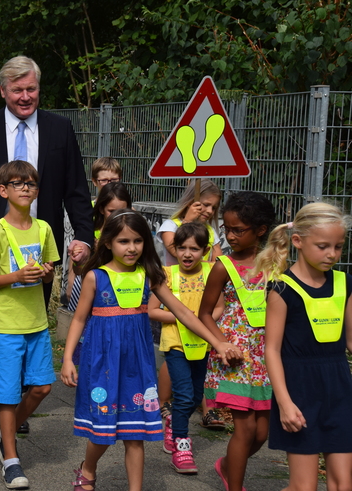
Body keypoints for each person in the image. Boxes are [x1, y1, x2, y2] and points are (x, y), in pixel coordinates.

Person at [0, 55, 93, 433]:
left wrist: (84, 239)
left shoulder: (60, 129)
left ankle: (20, 404)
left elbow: (76, 190)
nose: (25, 97)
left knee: (32, 327)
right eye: (17, 90)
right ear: (3, 91)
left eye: (31, 89)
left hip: (41, 248)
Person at [61, 210, 240, 491]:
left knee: (135, 433)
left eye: (138, 240)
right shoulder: (96, 277)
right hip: (102, 364)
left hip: (137, 366)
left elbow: (183, 312)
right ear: (108, 242)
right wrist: (68, 359)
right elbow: (80, 319)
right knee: (102, 431)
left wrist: (218, 342)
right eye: (123, 241)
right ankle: (88, 468)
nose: (131, 248)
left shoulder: (150, 276)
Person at [257, 203, 352, 491]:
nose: (332, 254)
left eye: (338, 246)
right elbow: (271, 350)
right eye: (323, 246)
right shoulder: (282, 289)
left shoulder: (344, 282)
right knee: (304, 487)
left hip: (339, 390)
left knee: (343, 484)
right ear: (297, 241)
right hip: (299, 391)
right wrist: (285, 404)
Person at [0, 160, 59, 489]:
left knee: (42, 387)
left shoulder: (43, 229)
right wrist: (16, 275)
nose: (25, 188)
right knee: (8, 395)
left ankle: (5, 431)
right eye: (17, 183)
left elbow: (51, 267)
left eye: (30, 184)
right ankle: (11, 461)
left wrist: (46, 272)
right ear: (4, 190)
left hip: (37, 322)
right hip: (5, 326)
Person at [197, 191, 276, 491]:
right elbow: (204, 313)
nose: (230, 235)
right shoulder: (223, 266)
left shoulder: (276, 265)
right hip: (236, 356)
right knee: (244, 429)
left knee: (261, 434)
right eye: (227, 229)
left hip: (265, 356)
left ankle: (226, 466)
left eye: (238, 230)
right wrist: (222, 344)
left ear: (260, 230)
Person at [147, 222, 224, 473]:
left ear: (205, 250)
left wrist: (203, 321)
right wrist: (182, 317)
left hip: (204, 344)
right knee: (183, 394)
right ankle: (181, 445)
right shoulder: (166, 275)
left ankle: (173, 421)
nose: (187, 254)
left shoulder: (213, 272)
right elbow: (152, 311)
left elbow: (219, 307)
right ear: (175, 249)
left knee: (196, 392)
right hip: (176, 344)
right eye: (182, 248)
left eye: (194, 248)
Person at [66, 182, 132, 311]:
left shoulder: (133, 233)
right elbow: (79, 270)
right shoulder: (90, 232)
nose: (117, 216)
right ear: (101, 209)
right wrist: (76, 266)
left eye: (122, 211)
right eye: (111, 211)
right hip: (90, 289)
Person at [157, 180, 223, 266]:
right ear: (190, 202)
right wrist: (187, 222)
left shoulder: (211, 231)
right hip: (175, 278)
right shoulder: (170, 225)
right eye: (206, 205)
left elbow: (218, 263)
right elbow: (175, 251)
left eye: (214, 208)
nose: (210, 211)